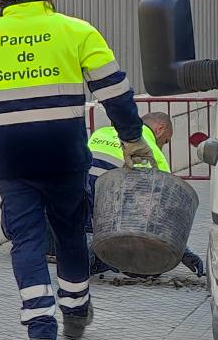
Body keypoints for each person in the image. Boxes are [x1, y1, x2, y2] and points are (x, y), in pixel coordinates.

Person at [0, 0, 151, 340]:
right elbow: (115, 92)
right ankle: (75, 309)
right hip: (64, 155)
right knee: (70, 231)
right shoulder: (76, 30)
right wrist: (131, 138)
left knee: (26, 241)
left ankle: (40, 330)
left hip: (13, 159)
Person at [87, 114, 206, 277]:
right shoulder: (153, 154)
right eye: (166, 140)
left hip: (78, 196)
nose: (163, 145)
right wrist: (183, 252)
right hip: (109, 205)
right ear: (160, 129)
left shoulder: (101, 132)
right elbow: (162, 213)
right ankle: (106, 260)